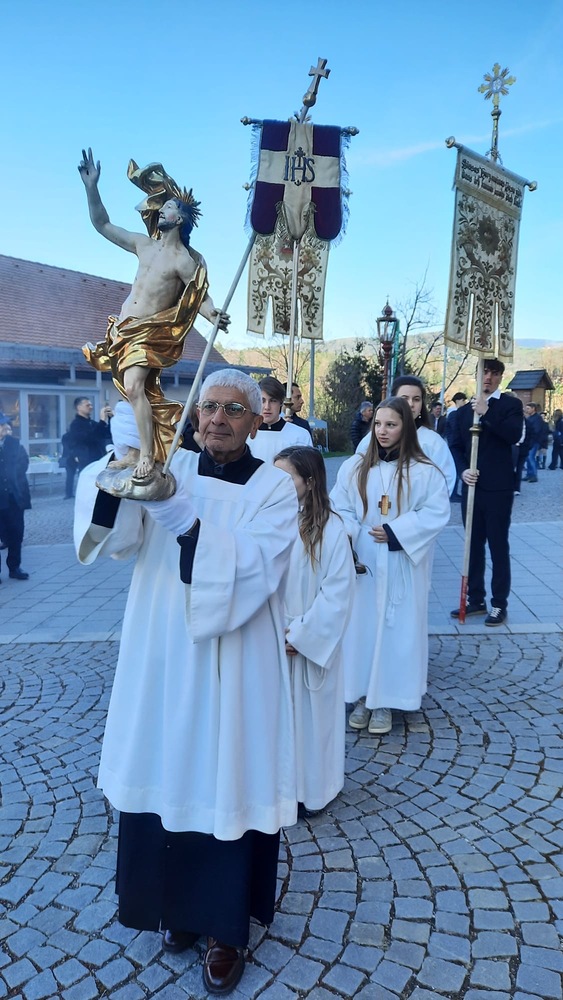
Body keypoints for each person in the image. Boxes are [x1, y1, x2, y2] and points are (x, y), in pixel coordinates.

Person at [74, 369, 299, 996]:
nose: (217, 419)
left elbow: (256, 568)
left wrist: (182, 517)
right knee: (166, 768)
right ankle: (174, 908)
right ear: (195, 415)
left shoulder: (275, 490)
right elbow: (116, 542)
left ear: (255, 421)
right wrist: (122, 464)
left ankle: (225, 928)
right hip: (161, 654)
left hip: (233, 661)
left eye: (234, 410)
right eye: (209, 407)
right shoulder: (168, 465)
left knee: (225, 774)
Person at [78, 149, 228, 481]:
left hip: (150, 334)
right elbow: (102, 224)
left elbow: (198, 295)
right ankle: (134, 450)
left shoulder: (183, 260)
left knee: (134, 386)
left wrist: (212, 314)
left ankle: (146, 456)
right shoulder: (143, 245)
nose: (162, 209)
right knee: (135, 393)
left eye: (169, 207)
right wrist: (92, 188)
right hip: (123, 329)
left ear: (180, 219)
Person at [331, 398, 450, 735]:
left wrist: (398, 530)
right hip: (365, 560)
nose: (382, 431)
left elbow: (437, 512)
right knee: (362, 628)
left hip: (401, 563)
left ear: (405, 428)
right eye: (378, 424)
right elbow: (339, 506)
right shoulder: (355, 468)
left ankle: (385, 700)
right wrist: (352, 533)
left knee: (396, 630)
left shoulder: (424, 471)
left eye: (391, 425)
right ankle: (360, 695)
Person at [273, 446, 354, 817]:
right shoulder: (268, 519)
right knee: (272, 719)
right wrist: (271, 629)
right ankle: (275, 789)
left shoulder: (332, 529)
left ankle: (313, 790)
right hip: (271, 636)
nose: (277, 484)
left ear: (309, 481)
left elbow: (338, 592)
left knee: (312, 720)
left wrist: (301, 635)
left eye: (286, 477)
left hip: (307, 640)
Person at [449, 359, 524, 626]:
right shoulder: (461, 413)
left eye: (494, 373)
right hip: (472, 488)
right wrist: (462, 471)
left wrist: (487, 412)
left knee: (498, 545)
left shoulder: (510, 405)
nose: (488, 377)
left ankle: (499, 603)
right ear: (477, 375)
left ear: (501, 377)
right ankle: (476, 599)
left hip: (498, 488)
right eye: (484, 372)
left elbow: (513, 435)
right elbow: (455, 446)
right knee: (472, 546)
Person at [356, 375, 457, 498]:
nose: (410, 404)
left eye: (416, 399)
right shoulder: (373, 438)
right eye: (404, 398)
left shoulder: (433, 442)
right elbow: (358, 474)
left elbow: (445, 480)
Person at [249, 377, 311, 463]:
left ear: (281, 402)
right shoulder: (244, 436)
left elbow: (307, 469)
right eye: (262, 401)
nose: (267, 407)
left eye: (273, 401)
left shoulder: (300, 435)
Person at [0, 416, 31, 582]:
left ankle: (14, 567)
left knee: (16, 533)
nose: (5, 427)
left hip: (14, 497)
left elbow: (23, 463)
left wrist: (12, 479)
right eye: (1, 424)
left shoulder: (14, 444)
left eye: (5, 424)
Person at [62, 397, 113, 499]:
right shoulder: (76, 425)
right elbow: (89, 437)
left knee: (100, 488)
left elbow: (107, 434)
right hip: (87, 460)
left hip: (99, 459)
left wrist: (111, 418)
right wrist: (102, 421)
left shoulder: (92, 423)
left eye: (91, 405)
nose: (91, 407)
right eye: (87, 405)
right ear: (79, 407)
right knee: (89, 489)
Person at [523, 402, 543, 483]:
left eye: (528, 408)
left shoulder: (537, 418)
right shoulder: (530, 418)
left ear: (533, 409)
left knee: (531, 457)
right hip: (529, 440)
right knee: (528, 458)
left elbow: (536, 431)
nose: (526, 410)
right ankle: (529, 474)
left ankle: (534, 475)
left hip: (534, 441)